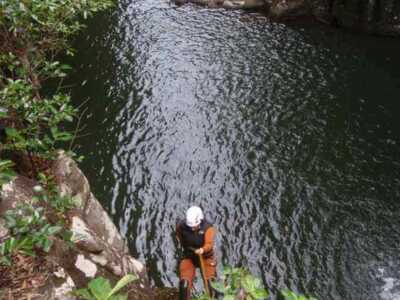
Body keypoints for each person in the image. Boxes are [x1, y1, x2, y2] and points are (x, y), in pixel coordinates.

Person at [176, 206, 217, 300]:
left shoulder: (208, 228)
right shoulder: (181, 226)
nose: (193, 229)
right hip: (189, 256)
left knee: (212, 284)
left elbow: (209, 244)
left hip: (206, 256)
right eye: (191, 227)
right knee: (184, 285)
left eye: (195, 227)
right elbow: (179, 237)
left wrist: (202, 250)